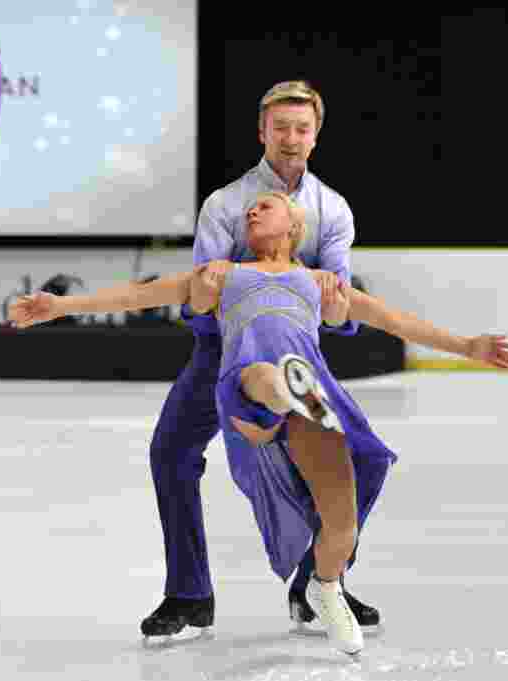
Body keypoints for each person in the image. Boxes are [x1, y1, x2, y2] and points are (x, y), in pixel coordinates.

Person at [8, 191, 508, 655]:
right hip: (247, 383)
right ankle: (277, 398)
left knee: (339, 524)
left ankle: (324, 587)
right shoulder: (223, 274)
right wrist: (61, 306)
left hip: (315, 400)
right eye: (249, 210)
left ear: (294, 227)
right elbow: (137, 296)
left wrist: (468, 346)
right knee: (264, 374)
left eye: (265, 207)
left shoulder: (317, 282)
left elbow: (395, 321)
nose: (252, 212)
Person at [138, 80, 375, 640]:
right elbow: (200, 293)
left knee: (357, 456)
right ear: (262, 132)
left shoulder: (332, 210)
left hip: (296, 359)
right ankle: (189, 595)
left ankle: (317, 584)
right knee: (170, 452)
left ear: (315, 136)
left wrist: (338, 313)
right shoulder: (225, 204)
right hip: (222, 353)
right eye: (280, 127)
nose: (291, 139)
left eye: (302, 128)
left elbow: (337, 302)